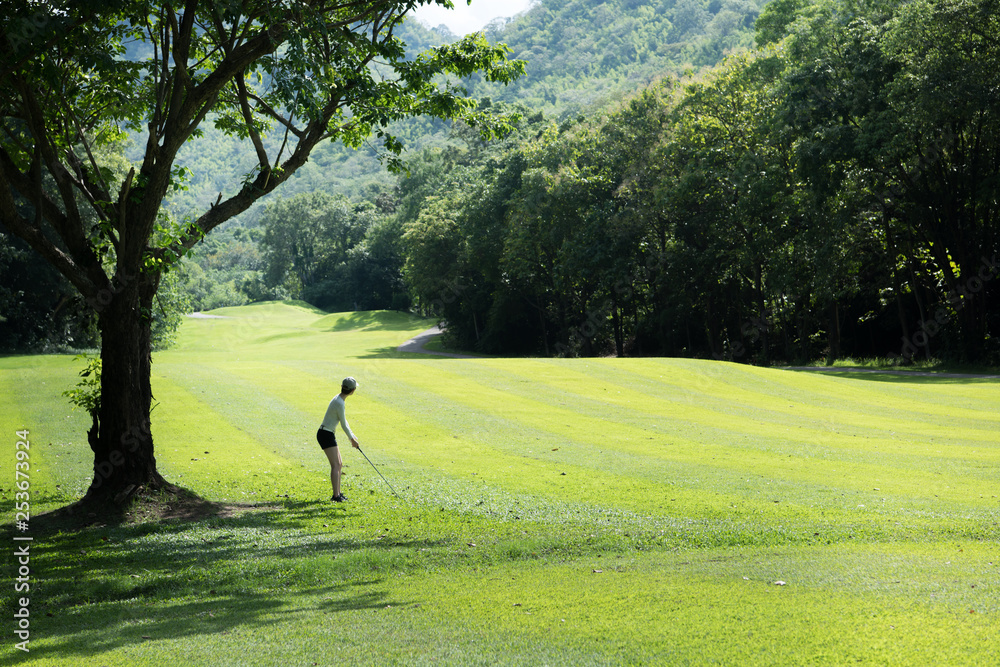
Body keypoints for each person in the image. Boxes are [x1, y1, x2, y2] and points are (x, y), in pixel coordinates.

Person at [317, 377, 361, 502]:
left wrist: (352, 435)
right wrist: (351, 439)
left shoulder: (339, 399)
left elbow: (344, 421)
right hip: (325, 434)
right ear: (353, 390)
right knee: (336, 465)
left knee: (339, 464)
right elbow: (343, 424)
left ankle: (338, 493)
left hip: (327, 433)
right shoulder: (339, 402)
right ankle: (336, 496)